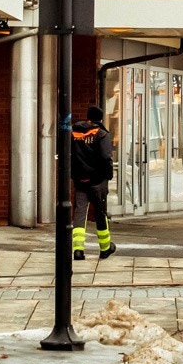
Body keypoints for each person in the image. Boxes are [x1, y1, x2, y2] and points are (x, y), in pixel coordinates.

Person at [71, 105, 115, 261]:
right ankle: (105, 248)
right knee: (100, 213)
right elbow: (105, 157)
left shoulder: (74, 132)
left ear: (88, 117)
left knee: (80, 212)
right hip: (97, 180)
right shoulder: (102, 134)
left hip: (80, 179)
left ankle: (78, 249)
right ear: (100, 119)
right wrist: (109, 175)